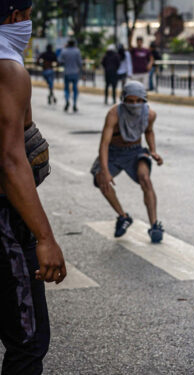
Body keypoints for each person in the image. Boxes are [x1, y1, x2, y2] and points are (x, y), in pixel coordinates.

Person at [1, 2, 68, 372]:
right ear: (14, 16)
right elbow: (11, 161)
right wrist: (45, 237)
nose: (27, 23)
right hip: (6, 225)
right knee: (27, 341)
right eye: (26, 14)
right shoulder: (7, 69)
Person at [91, 81, 164, 243]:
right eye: (130, 101)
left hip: (135, 151)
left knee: (145, 179)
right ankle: (123, 217)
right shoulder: (114, 114)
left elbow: (149, 131)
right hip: (113, 152)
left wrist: (153, 151)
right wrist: (105, 170)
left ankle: (154, 225)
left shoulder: (150, 114)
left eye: (138, 101)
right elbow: (104, 144)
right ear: (123, 99)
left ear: (145, 100)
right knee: (101, 180)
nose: (134, 105)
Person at [59, 39, 82, 113]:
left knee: (66, 89)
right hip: (75, 72)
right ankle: (74, 104)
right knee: (75, 89)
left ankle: (67, 101)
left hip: (67, 72)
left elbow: (60, 61)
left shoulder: (64, 51)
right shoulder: (77, 51)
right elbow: (80, 63)